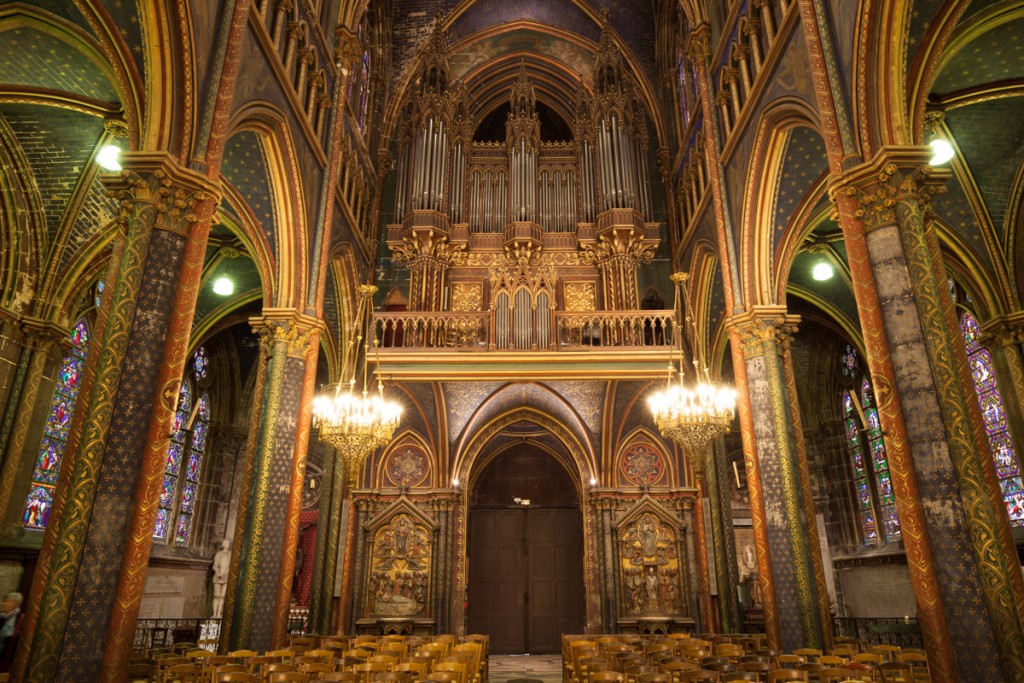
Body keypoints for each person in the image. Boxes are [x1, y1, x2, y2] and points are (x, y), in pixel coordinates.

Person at [0, 591, 22, 673]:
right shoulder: (2, 616)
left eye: (7, 601)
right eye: (3, 601)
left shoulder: (17, 619)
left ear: (15, 604)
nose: (3, 603)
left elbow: (7, 637)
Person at [211, 539, 230, 618]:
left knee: (223, 596)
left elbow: (231, 565)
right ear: (223, 544)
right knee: (216, 596)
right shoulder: (219, 554)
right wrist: (218, 573)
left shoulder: (231, 554)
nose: (228, 544)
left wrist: (225, 573)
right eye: (226, 543)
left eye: (229, 543)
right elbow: (215, 565)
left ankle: (219, 613)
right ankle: (214, 613)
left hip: (226, 577)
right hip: (218, 576)